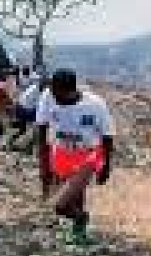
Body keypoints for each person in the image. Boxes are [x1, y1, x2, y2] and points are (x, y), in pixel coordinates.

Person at [36, 69, 114, 244]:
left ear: (71, 90)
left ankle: (81, 218)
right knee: (75, 195)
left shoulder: (95, 105)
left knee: (60, 205)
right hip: (61, 153)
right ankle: (79, 233)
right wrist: (44, 165)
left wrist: (106, 166)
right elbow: (41, 130)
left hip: (88, 154)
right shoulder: (48, 96)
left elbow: (107, 136)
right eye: (52, 92)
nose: (54, 98)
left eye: (58, 94)